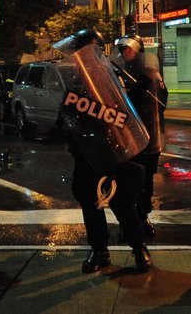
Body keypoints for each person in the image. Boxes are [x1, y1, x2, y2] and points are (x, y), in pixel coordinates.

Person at [55, 29, 151, 274]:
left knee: (123, 203)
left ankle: (138, 247)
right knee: (91, 204)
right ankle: (99, 250)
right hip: (87, 155)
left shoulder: (111, 78)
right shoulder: (76, 82)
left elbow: (126, 114)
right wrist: (69, 124)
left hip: (113, 152)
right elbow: (65, 116)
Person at [114, 34, 167, 239]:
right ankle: (128, 221)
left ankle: (143, 216)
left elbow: (162, 100)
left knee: (146, 181)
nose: (126, 52)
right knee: (127, 181)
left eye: (130, 48)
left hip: (149, 136)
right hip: (128, 136)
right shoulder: (118, 73)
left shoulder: (149, 73)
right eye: (123, 49)